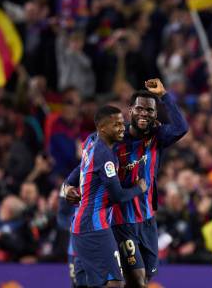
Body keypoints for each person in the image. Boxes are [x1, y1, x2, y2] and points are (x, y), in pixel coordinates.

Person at [111, 79, 188, 287]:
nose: (144, 114)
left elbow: (181, 128)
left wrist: (164, 96)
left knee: (145, 277)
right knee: (136, 279)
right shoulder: (116, 139)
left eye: (149, 110)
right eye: (139, 109)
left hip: (148, 220)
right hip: (122, 220)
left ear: (155, 115)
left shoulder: (157, 136)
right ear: (130, 111)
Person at [71, 105, 147, 288]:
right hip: (94, 227)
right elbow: (118, 196)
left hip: (83, 226)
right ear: (103, 128)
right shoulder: (104, 155)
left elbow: (81, 170)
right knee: (115, 283)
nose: (122, 128)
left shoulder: (90, 141)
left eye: (123, 123)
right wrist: (139, 188)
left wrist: (67, 184)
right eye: (117, 125)